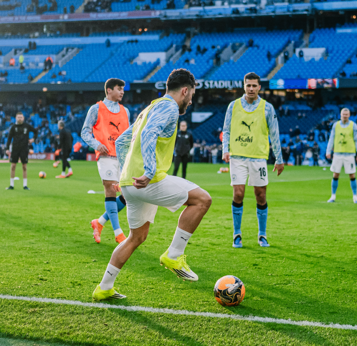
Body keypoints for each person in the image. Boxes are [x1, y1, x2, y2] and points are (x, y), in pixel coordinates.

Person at [92, 69, 212, 301]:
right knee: (202, 200)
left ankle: (104, 287)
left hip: (131, 183)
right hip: (148, 180)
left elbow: (123, 140)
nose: (191, 99)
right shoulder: (168, 108)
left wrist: (125, 175)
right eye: (192, 94)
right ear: (185, 90)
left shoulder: (150, 108)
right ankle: (174, 254)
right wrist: (147, 171)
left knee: (135, 238)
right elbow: (148, 135)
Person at [222, 72, 284, 248]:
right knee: (238, 193)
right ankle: (237, 234)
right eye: (248, 85)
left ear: (259, 87)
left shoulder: (267, 108)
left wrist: (279, 159)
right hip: (237, 156)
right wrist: (225, 150)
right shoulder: (233, 106)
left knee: (261, 196)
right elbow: (226, 130)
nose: (251, 89)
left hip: (258, 158)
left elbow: (275, 134)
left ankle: (262, 235)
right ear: (243, 86)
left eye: (254, 86)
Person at [83, 78, 132, 244]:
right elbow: (85, 132)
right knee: (111, 189)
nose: (122, 92)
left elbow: (128, 136)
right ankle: (119, 234)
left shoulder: (126, 111)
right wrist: (97, 144)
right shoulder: (96, 109)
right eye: (119, 89)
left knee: (128, 196)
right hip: (106, 157)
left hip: (123, 158)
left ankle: (99, 222)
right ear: (109, 90)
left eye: (123, 89)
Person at [325, 108, 357, 203]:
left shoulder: (353, 126)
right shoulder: (335, 125)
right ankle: (333, 196)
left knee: (352, 175)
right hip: (337, 153)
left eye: (346, 114)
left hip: (349, 154)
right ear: (340, 115)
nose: (345, 116)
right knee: (335, 174)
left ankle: (355, 196)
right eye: (343, 114)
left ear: (349, 115)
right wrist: (328, 151)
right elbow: (331, 138)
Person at [6, 112, 37, 191]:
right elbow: (9, 138)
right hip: (15, 149)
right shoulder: (13, 127)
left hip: (24, 149)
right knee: (13, 166)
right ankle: (11, 185)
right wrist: (7, 148)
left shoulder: (27, 126)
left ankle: (25, 185)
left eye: (21, 117)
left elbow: (35, 131)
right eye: (18, 117)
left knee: (24, 167)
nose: (20, 119)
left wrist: (33, 139)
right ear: (16, 118)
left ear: (23, 118)